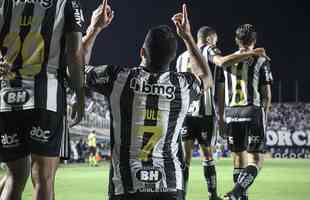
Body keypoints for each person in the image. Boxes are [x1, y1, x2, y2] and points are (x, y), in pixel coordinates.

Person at [75, 2, 213, 199]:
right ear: (173, 57)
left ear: (142, 52)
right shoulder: (182, 85)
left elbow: (76, 70)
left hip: (127, 186)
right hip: (170, 186)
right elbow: (206, 77)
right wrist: (188, 37)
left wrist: (94, 28)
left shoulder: (118, 78)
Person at [0, 0, 85, 199]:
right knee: (43, 178)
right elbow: (75, 53)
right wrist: (80, 94)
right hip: (46, 98)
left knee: (14, 176)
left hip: (6, 97)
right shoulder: (67, 3)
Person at [176, 26, 268, 200]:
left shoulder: (181, 57)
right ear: (210, 39)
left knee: (184, 160)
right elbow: (222, 61)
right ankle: (214, 196)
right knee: (208, 157)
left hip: (185, 114)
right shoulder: (208, 49)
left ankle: (180, 196)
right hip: (205, 113)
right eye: (215, 41)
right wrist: (252, 52)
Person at [216, 24, 273, 200]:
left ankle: (241, 196)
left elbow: (221, 92)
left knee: (238, 160)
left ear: (236, 40)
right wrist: (265, 116)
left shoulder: (227, 61)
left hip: (232, 113)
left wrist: (222, 118)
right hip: (252, 110)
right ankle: (238, 191)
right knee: (256, 160)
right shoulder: (262, 60)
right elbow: (267, 95)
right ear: (254, 41)